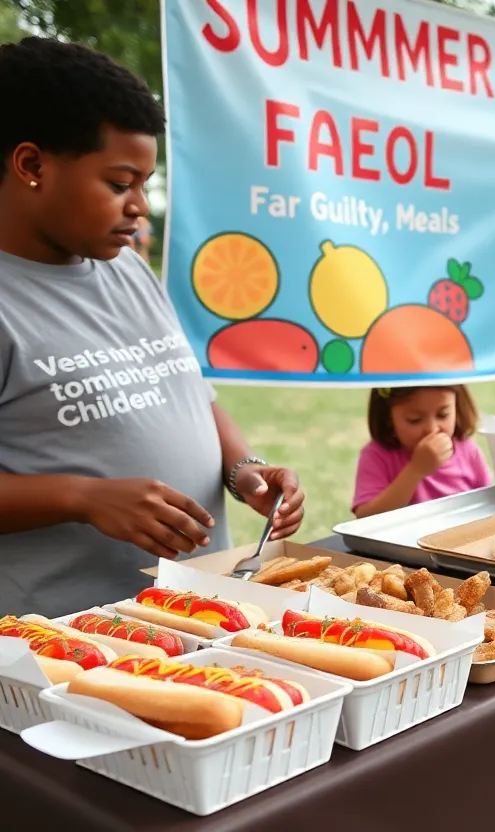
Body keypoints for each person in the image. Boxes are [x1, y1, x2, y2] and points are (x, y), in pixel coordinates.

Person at [0, 37, 305, 617]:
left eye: (145, 183)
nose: (140, 205)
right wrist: (82, 497)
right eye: (119, 184)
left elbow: (185, 390)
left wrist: (245, 468)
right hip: (61, 638)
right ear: (32, 165)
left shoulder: (127, 269)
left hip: (190, 610)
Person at [352, 386, 492, 517]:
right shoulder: (376, 456)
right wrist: (416, 470)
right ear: (388, 418)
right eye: (415, 420)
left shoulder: (467, 450)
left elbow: (489, 503)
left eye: (443, 415)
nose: (432, 429)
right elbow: (365, 517)